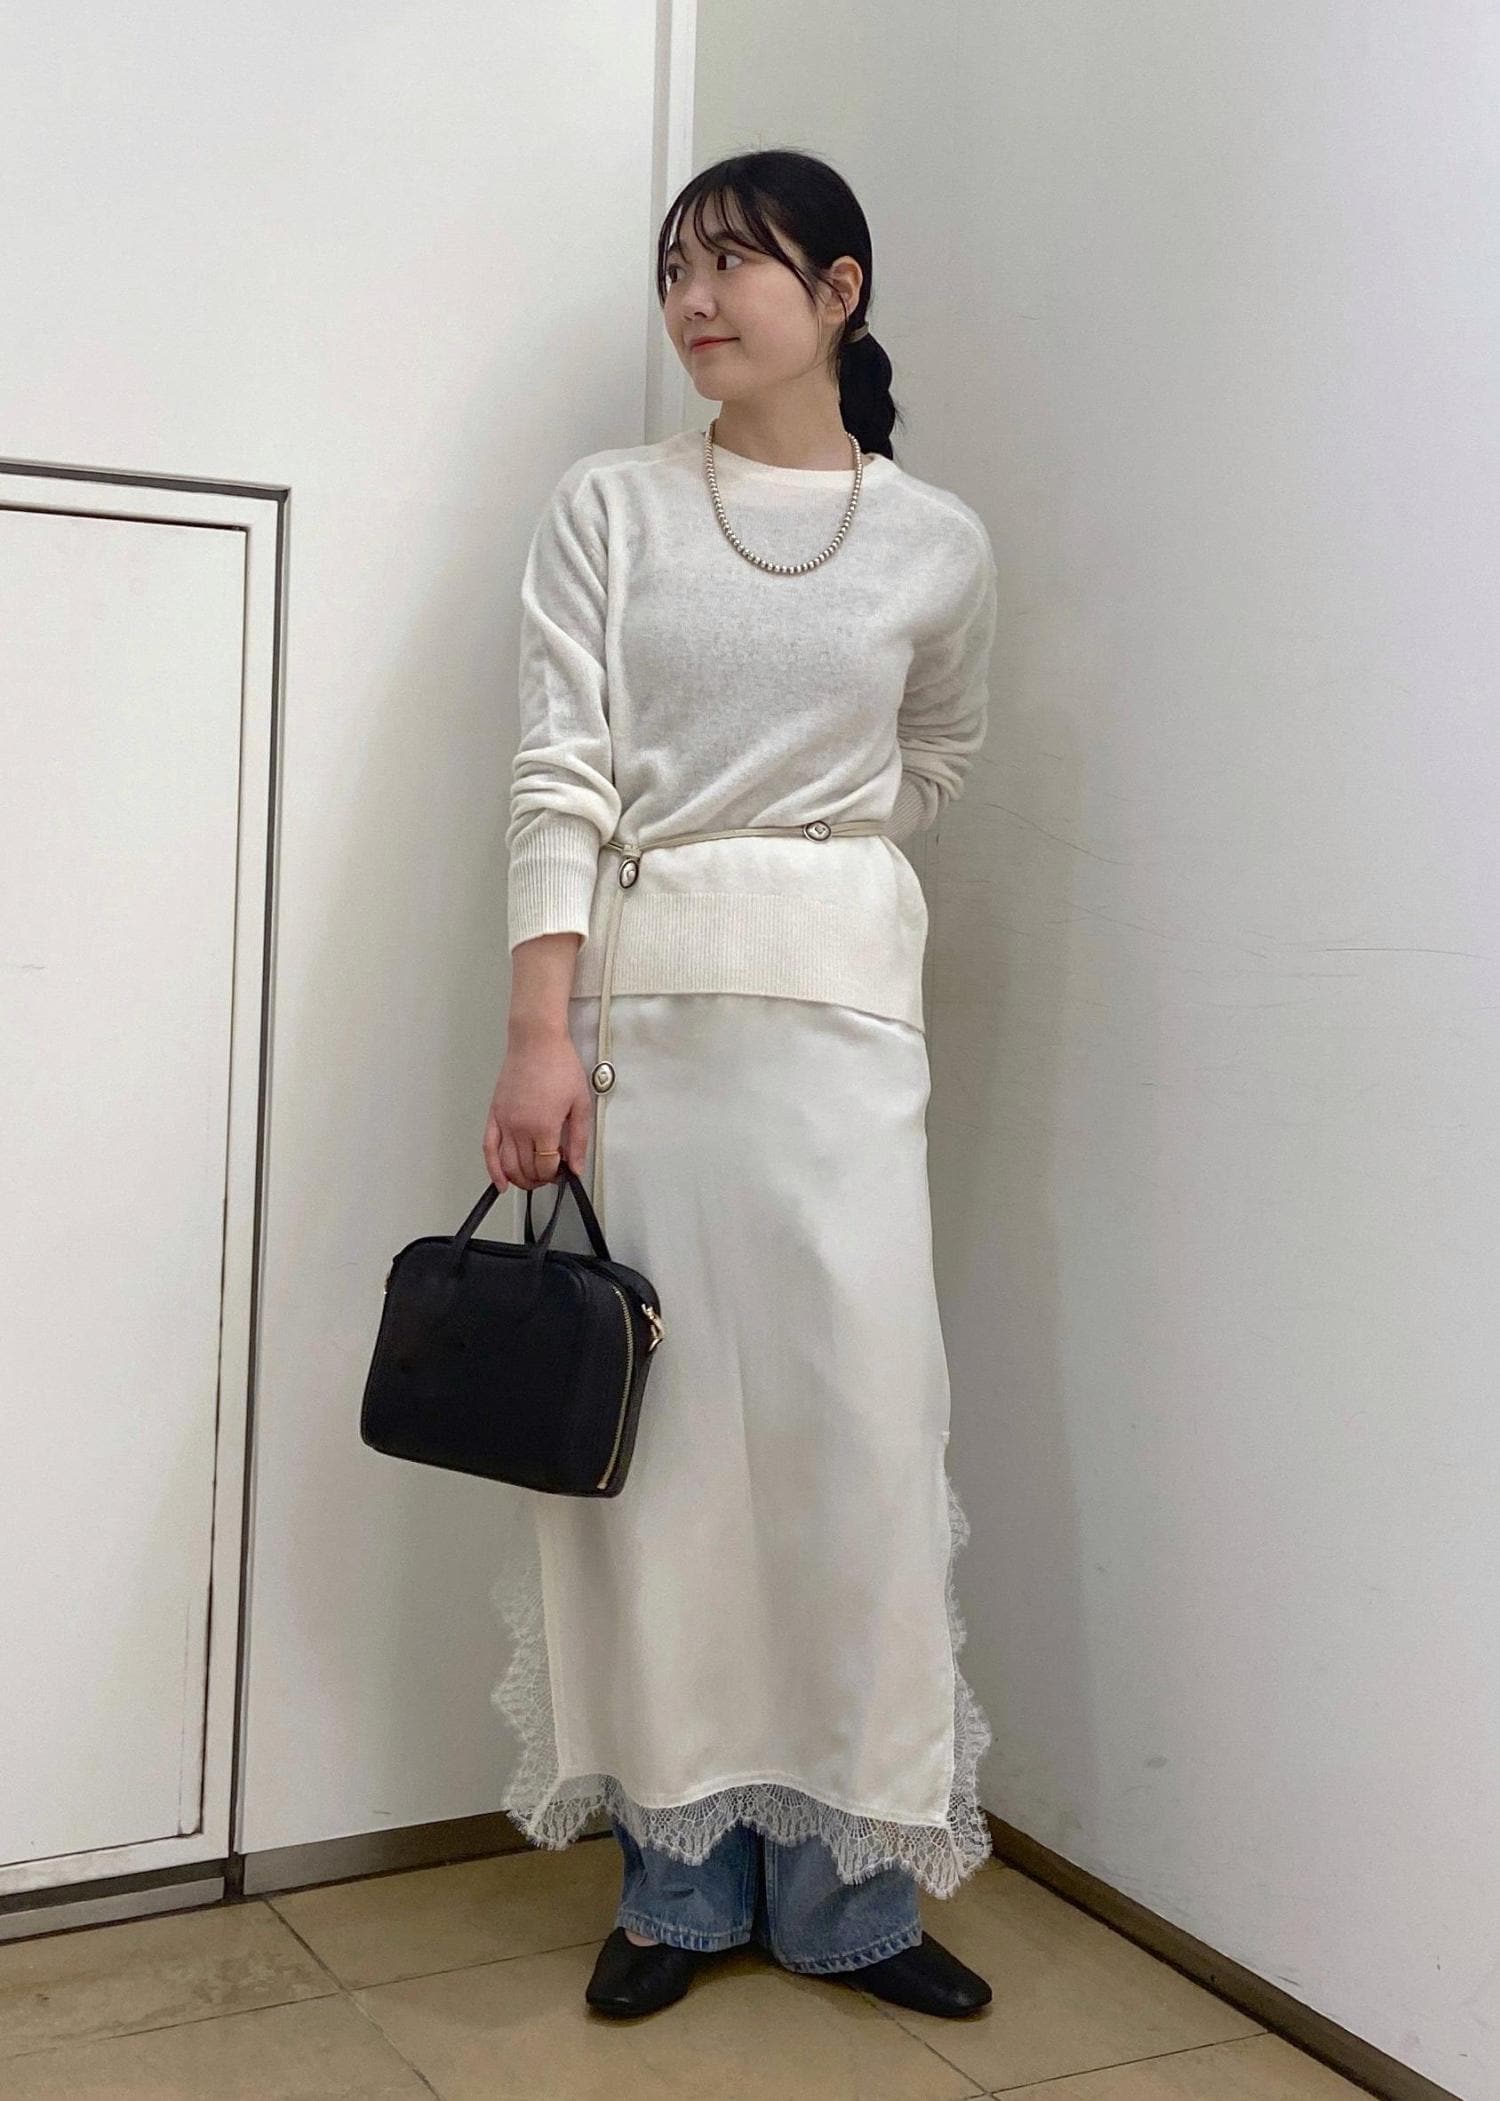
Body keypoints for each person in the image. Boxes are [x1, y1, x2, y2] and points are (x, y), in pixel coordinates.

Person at [483, 149, 1000, 2021]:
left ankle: (854, 1897)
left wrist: (814, 859)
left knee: (863, 1446)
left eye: (733, 266)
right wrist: (541, 1030)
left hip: (848, 1028)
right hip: (649, 1032)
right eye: (674, 270)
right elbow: (560, 769)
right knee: (669, 1460)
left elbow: (939, 749)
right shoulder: (610, 505)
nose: (694, 302)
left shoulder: (937, 540)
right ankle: (680, 1887)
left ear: (839, 290)